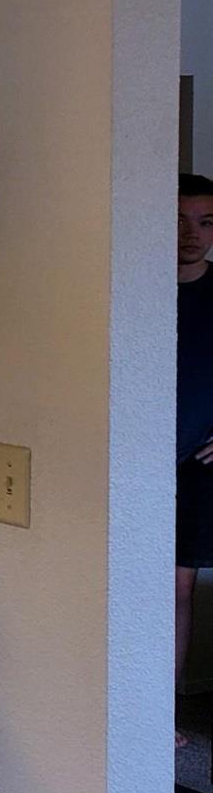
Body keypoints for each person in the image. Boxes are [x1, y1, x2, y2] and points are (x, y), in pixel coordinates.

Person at [178, 174, 213, 683]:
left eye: (204, 222)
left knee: (177, 588)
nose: (192, 233)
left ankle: (165, 717)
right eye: (180, 221)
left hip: (199, 469)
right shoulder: (135, 292)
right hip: (134, 461)